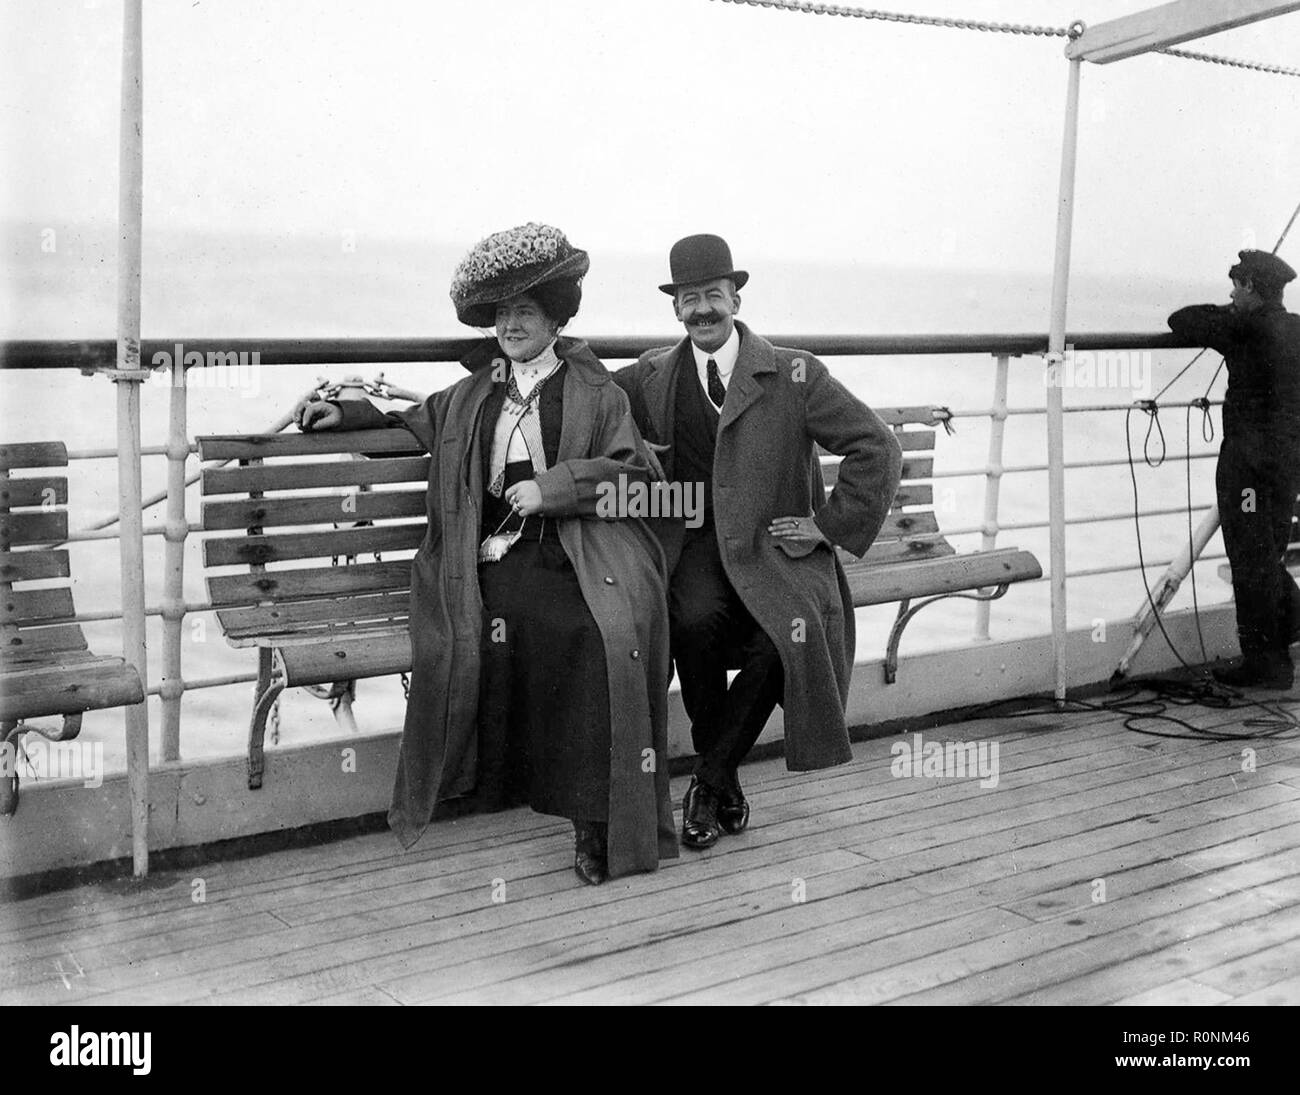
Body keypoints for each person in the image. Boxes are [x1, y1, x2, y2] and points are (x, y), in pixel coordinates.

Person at [295, 223, 677, 884]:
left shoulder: (596, 392)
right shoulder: (477, 391)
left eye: (524, 311)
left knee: (596, 633)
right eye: (501, 313)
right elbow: (412, 421)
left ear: (557, 315)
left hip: (579, 548)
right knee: (498, 631)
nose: (510, 324)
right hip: (492, 558)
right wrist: (347, 413)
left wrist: (556, 488)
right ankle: (512, 785)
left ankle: (595, 821)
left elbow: (638, 481)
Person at [613, 233, 903, 849]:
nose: (702, 311)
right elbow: (583, 392)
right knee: (690, 624)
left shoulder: (794, 373)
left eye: (714, 296)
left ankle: (709, 777)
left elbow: (877, 447)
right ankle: (723, 782)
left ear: (736, 298)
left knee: (792, 633)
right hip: (693, 549)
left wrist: (825, 528)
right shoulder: (653, 374)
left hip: (775, 550)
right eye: (689, 300)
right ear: (674, 310)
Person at [1169, 249, 1300, 690]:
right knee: (1269, 552)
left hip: (1247, 465)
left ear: (1250, 289)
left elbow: (1181, 319)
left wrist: (1232, 313)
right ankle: (1278, 652)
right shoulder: (1297, 328)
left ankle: (1267, 663)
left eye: (1237, 286)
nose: (1230, 291)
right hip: (1287, 462)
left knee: (1249, 558)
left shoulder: (1242, 327)